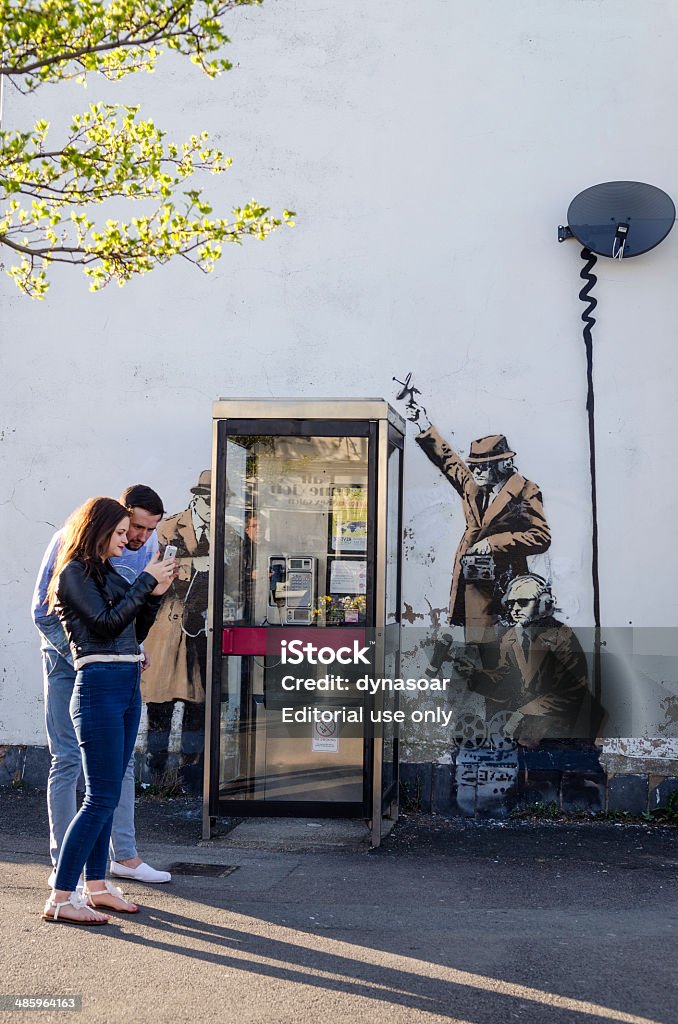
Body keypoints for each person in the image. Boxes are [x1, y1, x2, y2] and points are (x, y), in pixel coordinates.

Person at [42, 497, 176, 924]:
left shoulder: (109, 573)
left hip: (124, 685)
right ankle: (62, 896)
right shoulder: (73, 574)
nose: (130, 540)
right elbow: (102, 624)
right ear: (98, 530)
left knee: (109, 792)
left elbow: (132, 627)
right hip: (97, 687)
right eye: (121, 533)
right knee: (99, 798)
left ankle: (96, 887)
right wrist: (142, 586)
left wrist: (154, 595)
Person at [462, 575, 602, 746]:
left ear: (543, 603)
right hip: (527, 732)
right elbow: (506, 682)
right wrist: (474, 676)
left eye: (522, 602)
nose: (515, 609)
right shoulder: (511, 637)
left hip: (564, 731)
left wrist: (523, 712)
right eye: (511, 603)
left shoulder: (561, 637)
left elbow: (571, 692)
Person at [141, 471, 212, 791]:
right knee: (161, 703)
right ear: (197, 498)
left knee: (198, 704)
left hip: (204, 628)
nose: (213, 506)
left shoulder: (225, 532)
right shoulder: (168, 528)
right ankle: (155, 771)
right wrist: (196, 566)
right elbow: (155, 572)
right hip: (169, 628)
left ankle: (190, 774)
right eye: (208, 499)